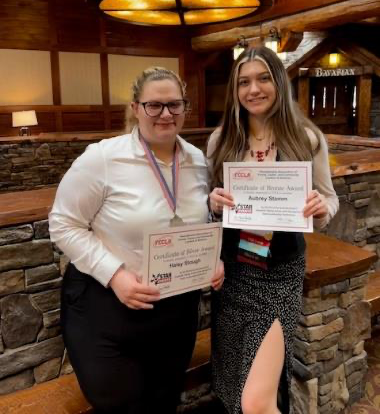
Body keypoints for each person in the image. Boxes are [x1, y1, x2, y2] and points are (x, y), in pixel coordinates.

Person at [49, 67, 224, 414]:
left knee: (163, 401)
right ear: (135, 108)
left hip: (175, 310)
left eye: (174, 105)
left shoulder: (197, 160)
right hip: (105, 306)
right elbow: (63, 224)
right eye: (154, 105)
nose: (165, 114)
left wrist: (211, 259)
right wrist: (115, 275)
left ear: (185, 107)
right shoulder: (102, 158)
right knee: (120, 404)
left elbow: (199, 222)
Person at [207, 47, 339, 414]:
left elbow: (330, 200)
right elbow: (209, 211)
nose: (254, 89)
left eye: (264, 78)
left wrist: (321, 208)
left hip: (279, 274)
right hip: (233, 274)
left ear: (279, 82)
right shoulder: (221, 141)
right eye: (244, 81)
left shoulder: (307, 138)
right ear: (235, 89)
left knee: (256, 402)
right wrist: (213, 204)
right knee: (234, 384)